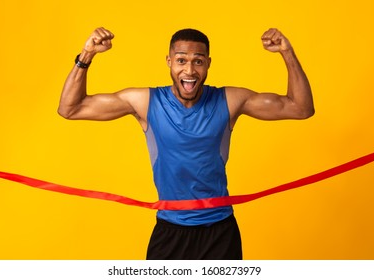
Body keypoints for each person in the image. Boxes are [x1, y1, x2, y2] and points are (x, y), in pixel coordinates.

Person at [58, 27, 314, 260]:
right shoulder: (145, 102)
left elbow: (300, 108)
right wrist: (86, 54)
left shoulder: (230, 100)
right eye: (181, 60)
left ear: (208, 64)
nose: (189, 71)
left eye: (198, 62)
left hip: (220, 232)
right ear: (169, 62)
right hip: (170, 232)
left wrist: (287, 53)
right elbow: (70, 108)